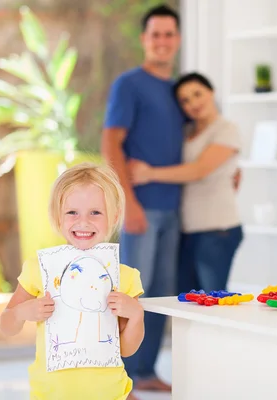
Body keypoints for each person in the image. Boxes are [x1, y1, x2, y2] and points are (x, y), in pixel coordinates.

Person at [0, 163, 145, 400]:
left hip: (110, 394)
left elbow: (127, 349)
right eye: (72, 212)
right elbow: (6, 325)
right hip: (50, 394)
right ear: (58, 216)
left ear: (115, 215)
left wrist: (136, 315)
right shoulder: (39, 269)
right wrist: (22, 312)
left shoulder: (125, 277)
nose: (83, 222)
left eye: (95, 212)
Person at [100, 4, 183, 394]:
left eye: (169, 35)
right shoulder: (129, 84)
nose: (162, 42)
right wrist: (128, 204)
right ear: (144, 40)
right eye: (155, 35)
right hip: (141, 209)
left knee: (161, 295)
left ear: (177, 40)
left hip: (173, 209)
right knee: (129, 295)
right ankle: (118, 379)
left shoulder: (179, 90)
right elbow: (110, 143)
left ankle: (146, 371)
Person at [128, 72, 244, 294]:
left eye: (197, 94)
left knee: (213, 302)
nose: (193, 103)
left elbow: (199, 170)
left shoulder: (226, 129)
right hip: (189, 230)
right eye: (185, 100)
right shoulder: (187, 132)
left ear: (211, 93)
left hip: (217, 229)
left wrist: (149, 174)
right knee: (189, 302)